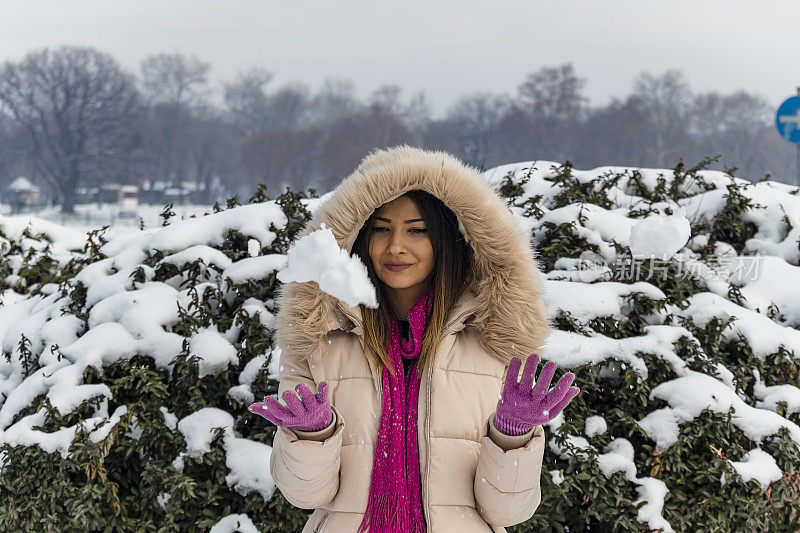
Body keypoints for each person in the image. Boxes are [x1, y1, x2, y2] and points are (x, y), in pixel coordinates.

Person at [249, 145, 580, 532]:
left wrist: (511, 436)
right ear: (359, 238)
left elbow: (506, 513)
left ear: (447, 239)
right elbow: (306, 496)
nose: (396, 247)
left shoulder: (492, 342)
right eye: (381, 228)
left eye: (417, 230)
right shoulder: (322, 340)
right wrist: (312, 434)